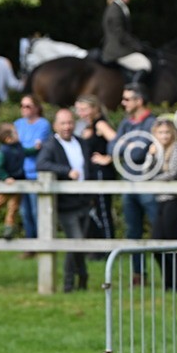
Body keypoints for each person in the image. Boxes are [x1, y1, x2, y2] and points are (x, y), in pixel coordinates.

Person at [36, 108, 93, 293]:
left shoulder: (82, 143)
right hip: (66, 204)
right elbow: (42, 164)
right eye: (63, 123)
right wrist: (66, 171)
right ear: (55, 125)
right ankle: (71, 282)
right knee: (75, 241)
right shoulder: (51, 145)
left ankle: (82, 278)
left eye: (69, 123)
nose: (67, 127)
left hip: (85, 200)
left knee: (80, 242)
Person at [110, 84, 157, 284]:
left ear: (139, 101)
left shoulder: (152, 122)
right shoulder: (126, 123)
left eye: (127, 99)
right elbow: (112, 146)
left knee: (158, 230)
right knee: (132, 231)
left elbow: (137, 154)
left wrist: (124, 146)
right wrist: (127, 147)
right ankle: (138, 274)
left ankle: (171, 274)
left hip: (148, 185)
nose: (123, 103)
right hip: (128, 184)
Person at [147, 118, 177, 291]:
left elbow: (172, 173)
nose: (164, 136)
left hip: (174, 201)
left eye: (167, 132)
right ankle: (168, 282)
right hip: (160, 202)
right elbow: (143, 172)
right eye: (161, 132)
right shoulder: (155, 150)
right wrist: (151, 155)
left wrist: (151, 179)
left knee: (173, 244)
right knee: (157, 245)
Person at [75, 94, 117, 254]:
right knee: (94, 212)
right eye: (79, 109)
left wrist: (109, 158)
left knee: (103, 212)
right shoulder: (87, 127)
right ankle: (97, 249)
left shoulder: (101, 125)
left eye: (84, 109)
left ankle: (109, 250)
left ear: (95, 108)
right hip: (90, 174)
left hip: (101, 174)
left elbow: (117, 141)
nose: (81, 113)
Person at [15, 94, 51, 258]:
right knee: (25, 212)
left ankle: (42, 244)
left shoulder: (43, 125)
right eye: (22, 106)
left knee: (38, 211)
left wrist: (19, 147)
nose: (24, 109)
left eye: (28, 106)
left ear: (37, 107)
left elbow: (32, 148)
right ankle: (30, 245)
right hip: (21, 173)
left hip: (37, 173)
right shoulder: (18, 124)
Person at [102, 0, 151, 83]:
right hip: (117, 51)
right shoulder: (115, 10)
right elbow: (121, 34)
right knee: (145, 64)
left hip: (120, 48)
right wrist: (138, 46)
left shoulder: (119, 7)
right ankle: (133, 91)